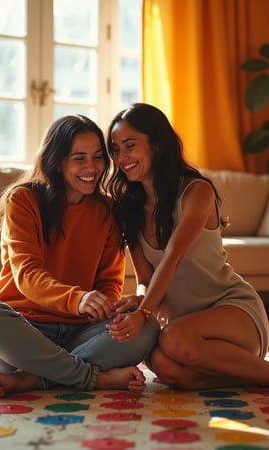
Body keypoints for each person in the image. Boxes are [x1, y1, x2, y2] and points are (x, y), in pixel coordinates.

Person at [0, 114, 160, 399]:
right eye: (79, 158)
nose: (92, 168)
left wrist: (112, 310)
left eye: (98, 157)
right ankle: (91, 377)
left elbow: (108, 281)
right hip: (24, 332)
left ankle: (34, 379)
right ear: (56, 162)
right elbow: (27, 275)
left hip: (79, 333)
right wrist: (78, 299)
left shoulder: (108, 211)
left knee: (146, 327)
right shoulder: (22, 200)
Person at [105, 102, 269, 390]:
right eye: (116, 150)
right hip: (187, 329)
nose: (121, 157)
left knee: (172, 340)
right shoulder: (130, 210)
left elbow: (173, 257)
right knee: (163, 365)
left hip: (233, 311)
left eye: (130, 146)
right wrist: (138, 300)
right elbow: (145, 280)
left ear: (156, 144)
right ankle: (247, 377)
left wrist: (144, 314)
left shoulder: (197, 191)